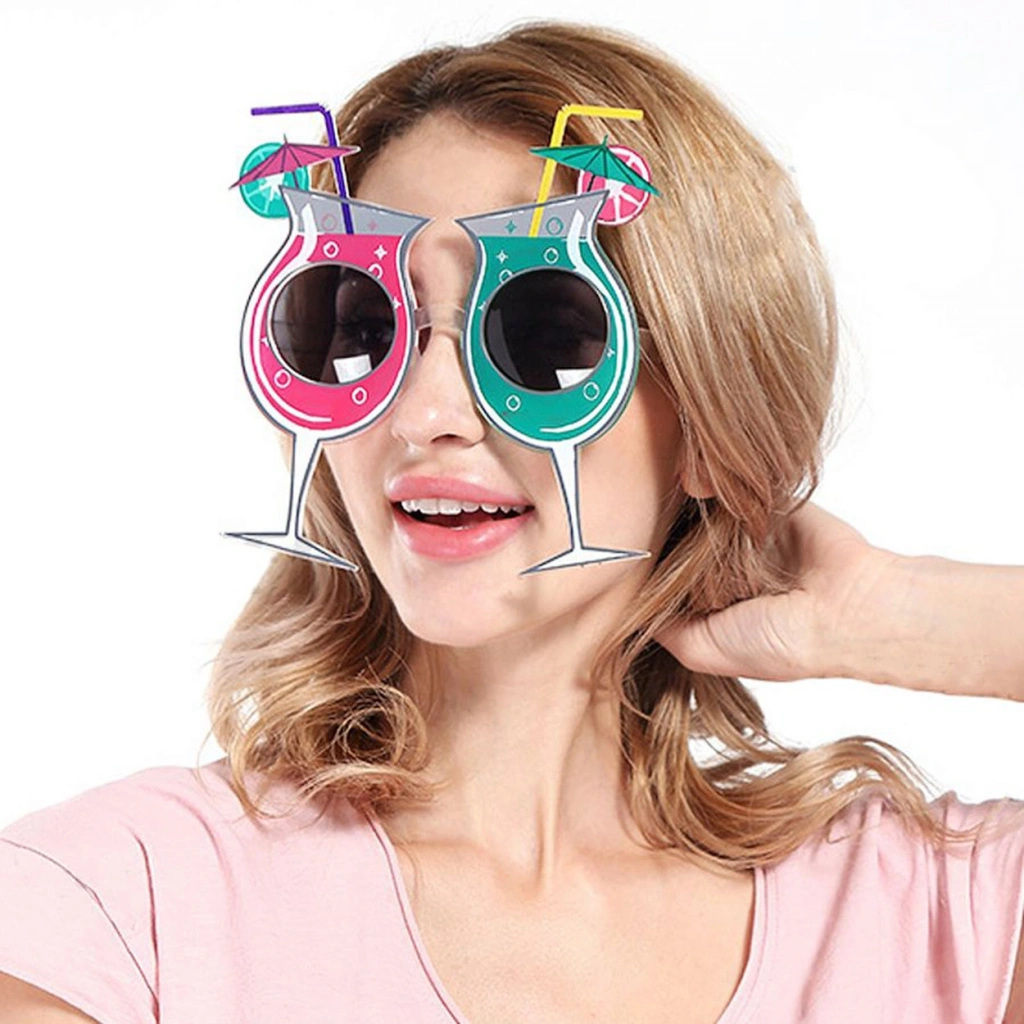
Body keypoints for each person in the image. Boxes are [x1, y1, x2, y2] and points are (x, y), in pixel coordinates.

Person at [2, 19, 1023, 1024]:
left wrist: (896, 611)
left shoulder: (940, 921)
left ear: (709, 419)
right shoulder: (115, 914)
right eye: (362, 323)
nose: (425, 414)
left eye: (544, 334)